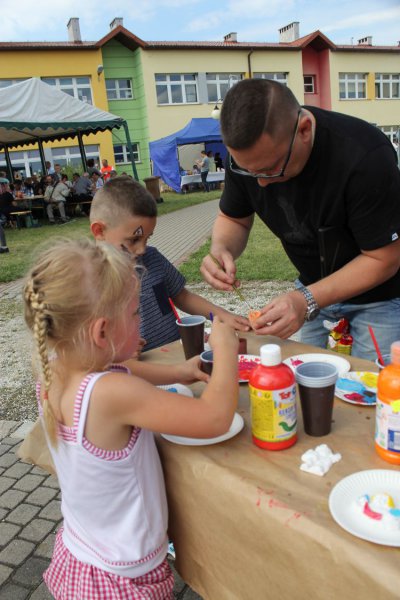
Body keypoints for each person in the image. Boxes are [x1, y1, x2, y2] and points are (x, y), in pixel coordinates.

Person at [23, 237, 238, 599]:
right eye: (136, 314)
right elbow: (215, 417)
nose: (141, 321)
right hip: (120, 580)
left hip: (82, 553)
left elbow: (123, 368)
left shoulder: (55, 370)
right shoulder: (109, 393)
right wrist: (226, 349)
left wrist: (178, 371)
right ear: (102, 331)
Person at [200, 78, 400, 361]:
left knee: (373, 383)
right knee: (307, 379)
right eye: (248, 171)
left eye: (270, 169)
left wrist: (305, 299)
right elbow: (234, 218)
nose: (261, 183)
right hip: (312, 289)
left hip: (378, 298)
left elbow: (384, 258)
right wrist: (222, 249)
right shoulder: (250, 158)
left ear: (304, 129)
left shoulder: (365, 156)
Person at [90, 177, 249, 352]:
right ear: (99, 231)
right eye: (134, 240)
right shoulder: (87, 279)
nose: (142, 249)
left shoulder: (152, 258)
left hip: (175, 355)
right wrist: (118, 352)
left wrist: (223, 316)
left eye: (147, 238)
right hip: (141, 364)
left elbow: (183, 297)